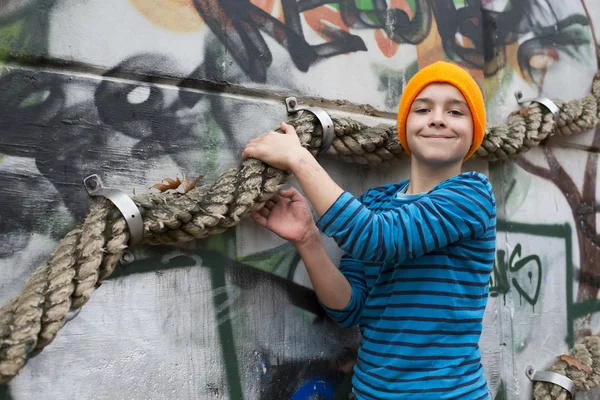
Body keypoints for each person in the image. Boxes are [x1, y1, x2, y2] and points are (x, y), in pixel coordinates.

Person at [242, 61, 496, 400]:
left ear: (474, 132)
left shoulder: (472, 193)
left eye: (455, 112)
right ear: (406, 127)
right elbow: (350, 309)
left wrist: (299, 160)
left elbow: (379, 240)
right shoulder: (375, 203)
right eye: (423, 109)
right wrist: (308, 239)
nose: (438, 118)